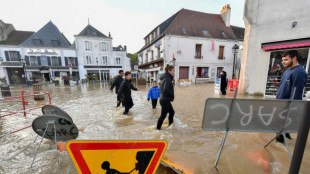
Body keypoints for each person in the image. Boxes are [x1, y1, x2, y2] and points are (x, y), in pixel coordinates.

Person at [276, 50, 307, 143]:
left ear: (294, 58)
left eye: (286, 59)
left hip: (287, 108)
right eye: (282, 60)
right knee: (283, 132)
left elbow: (296, 94)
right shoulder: (287, 70)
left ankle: (280, 152)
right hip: (281, 105)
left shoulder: (299, 72)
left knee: (279, 136)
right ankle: (286, 141)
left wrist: (290, 111)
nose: (283, 62)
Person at [156, 64, 175, 130]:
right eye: (173, 70)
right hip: (165, 100)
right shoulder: (167, 79)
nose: (173, 72)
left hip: (163, 99)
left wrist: (171, 80)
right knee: (163, 116)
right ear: (169, 71)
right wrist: (172, 95)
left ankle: (170, 126)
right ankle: (157, 129)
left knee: (172, 112)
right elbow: (166, 89)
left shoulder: (165, 77)